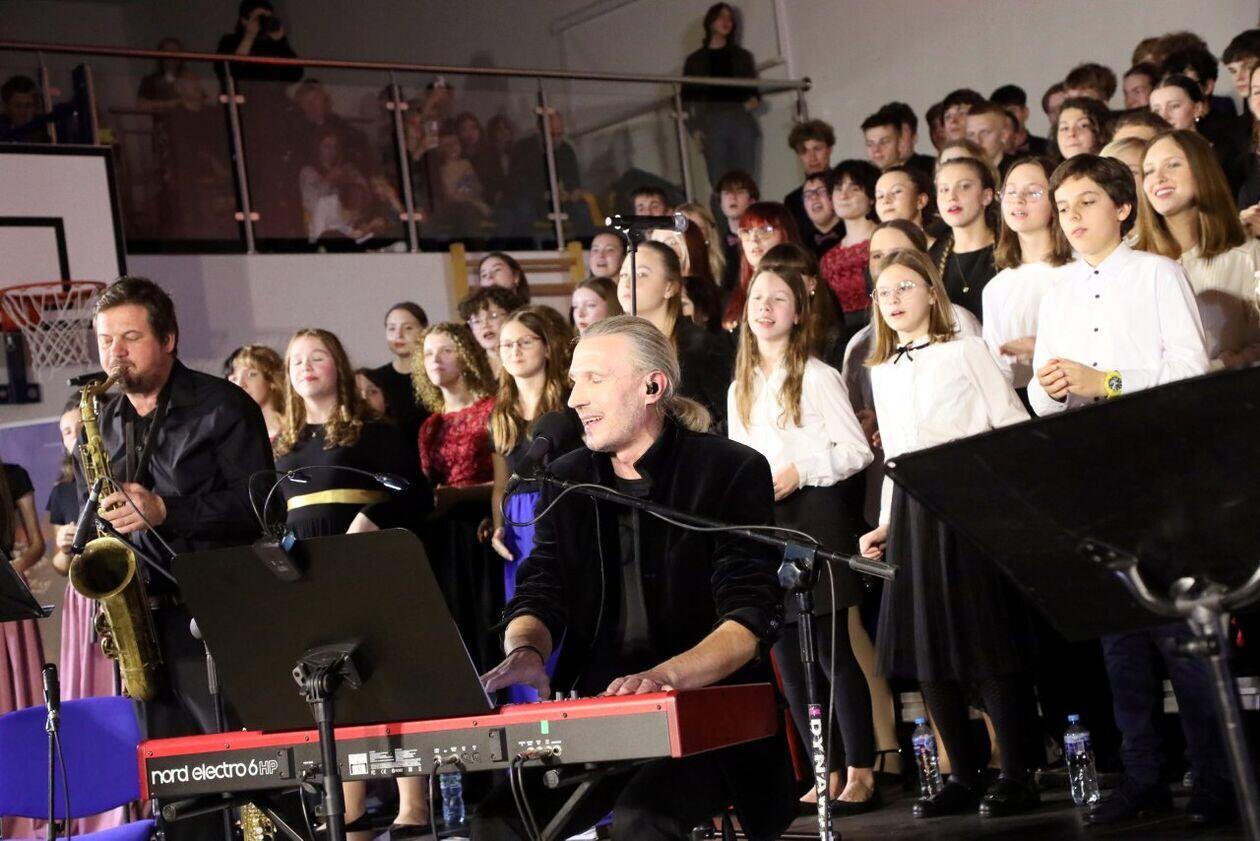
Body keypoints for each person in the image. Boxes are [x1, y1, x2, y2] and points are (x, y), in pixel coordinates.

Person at [474, 315, 796, 840]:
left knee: (643, 816)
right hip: (599, 714)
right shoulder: (567, 478)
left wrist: (661, 678)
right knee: (496, 821)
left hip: (707, 708)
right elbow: (540, 589)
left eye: (594, 379)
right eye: (574, 381)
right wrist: (526, 649)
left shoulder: (728, 468)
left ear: (653, 387)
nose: (575, 398)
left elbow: (749, 617)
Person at [1031, 154, 1232, 827]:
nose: (1073, 217)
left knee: (1179, 629)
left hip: (1161, 468)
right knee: (1119, 637)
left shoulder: (1156, 273)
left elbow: (1190, 371)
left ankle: (1216, 775)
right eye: (1064, 208)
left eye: (1087, 202)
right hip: (1094, 470)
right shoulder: (1057, 291)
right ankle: (1144, 774)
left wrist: (1107, 381)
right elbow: (1042, 395)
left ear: (1121, 207)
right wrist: (1052, 387)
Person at [76, 277, 273, 841]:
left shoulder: (223, 406)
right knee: (176, 785)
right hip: (144, 621)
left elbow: (261, 504)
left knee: (244, 772)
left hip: (216, 612)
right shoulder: (104, 419)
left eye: (130, 337)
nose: (115, 353)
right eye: (106, 340)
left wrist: (167, 510)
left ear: (168, 339)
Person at [858, 249, 1038, 819]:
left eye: (905, 287)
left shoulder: (966, 351)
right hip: (913, 512)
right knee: (928, 649)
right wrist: (885, 522)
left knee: (984, 643)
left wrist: (992, 498)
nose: (893, 300)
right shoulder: (882, 371)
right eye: (884, 292)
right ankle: (963, 772)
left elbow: (1011, 428)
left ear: (932, 293)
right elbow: (895, 456)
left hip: (966, 506)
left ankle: (1017, 771)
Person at [727, 261, 879, 812]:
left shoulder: (816, 375)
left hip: (815, 516)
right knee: (790, 662)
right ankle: (825, 769)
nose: (765, 308)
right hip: (769, 526)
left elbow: (857, 450)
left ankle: (861, 768)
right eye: (757, 299)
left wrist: (802, 469)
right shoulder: (739, 387)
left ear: (797, 312)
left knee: (833, 653)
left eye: (778, 299)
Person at [486, 310, 583, 704]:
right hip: (517, 519)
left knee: (560, 596)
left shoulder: (566, 404)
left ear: (546, 346)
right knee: (525, 608)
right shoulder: (501, 413)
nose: (515, 351)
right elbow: (500, 483)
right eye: (507, 344)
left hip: (557, 506)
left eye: (525, 341)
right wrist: (498, 526)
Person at [414, 322, 499, 671]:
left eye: (446, 350)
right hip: (444, 535)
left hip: (483, 525)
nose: (435, 359)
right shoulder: (430, 425)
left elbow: (508, 478)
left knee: (488, 617)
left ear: (465, 356)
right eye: (428, 353)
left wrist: (461, 495)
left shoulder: (492, 409)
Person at [1136, 129, 1260, 368]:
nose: (1158, 178)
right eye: (1148, 171)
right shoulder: (1134, 263)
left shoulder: (1248, 255)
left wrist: (1228, 363)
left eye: (1173, 165)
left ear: (1202, 170)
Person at [215, 0, 306, 239]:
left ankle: (290, 235)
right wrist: (249, 35)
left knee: (284, 182)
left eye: (268, 16)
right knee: (257, 184)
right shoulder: (230, 42)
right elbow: (228, 70)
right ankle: (259, 236)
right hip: (247, 122)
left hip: (276, 122)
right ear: (244, 20)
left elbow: (295, 72)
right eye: (258, 17)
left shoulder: (274, 46)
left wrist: (280, 39)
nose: (264, 21)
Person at [983, 157, 1075, 393]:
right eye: (1011, 192)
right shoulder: (996, 288)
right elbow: (996, 369)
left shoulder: (1080, 271)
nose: (1018, 200)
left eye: (1032, 192)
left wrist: (1041, 349)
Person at [618, 241, 733, 428]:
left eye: (641, 274)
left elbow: (729, 416)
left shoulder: (699, 345)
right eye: (623, 274)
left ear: (670, 287)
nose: (627, 282)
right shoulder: (618, 346)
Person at [682, 3, 762, 188]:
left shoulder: (742, 56)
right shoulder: (695, 60)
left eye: (730, 18)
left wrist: (746, 106)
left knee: (745, 181)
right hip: (711, 122)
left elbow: (754, 94)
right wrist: (694, 130)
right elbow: (685, 100)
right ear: (710, 22)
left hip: (739, 119)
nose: (727, 22)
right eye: (721, 17)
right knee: (719, 181)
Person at [929, 156, 999, 319]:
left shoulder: (1010, 247)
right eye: (944, 189)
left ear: (987, 196)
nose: (952, 197)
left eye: (964, 186)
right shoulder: (934, 257)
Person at [722, 201, 805, 328]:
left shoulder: (803, 284)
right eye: (746, 232)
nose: (754, 239)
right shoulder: (734, 290)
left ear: (785, 234)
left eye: (764, 230)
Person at [821, 160, 881, 332]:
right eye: (838, 189)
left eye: (854, 189)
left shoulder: (885, 241)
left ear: (871, 197)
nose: (843, 196)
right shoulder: (828, 259)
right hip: (843, 337)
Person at [371, 302, 430, 458]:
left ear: (424, 331)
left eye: (408, 328)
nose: (399, 335)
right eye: (391, 328)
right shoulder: (375, 381)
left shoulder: (435, 374)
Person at [784, 119, 837, 238]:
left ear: (829, 149)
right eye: (804, 151)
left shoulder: (844, 188)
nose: (812, 158)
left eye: (817, 149)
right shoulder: (792, 201)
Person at [458, 285, 523, 378]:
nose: (485, 325)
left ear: (511, 316)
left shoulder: (524, 360)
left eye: (493, 316)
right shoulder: (469, 368)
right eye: (477, 321)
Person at [226, 343, 285, 441]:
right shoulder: (229, 438)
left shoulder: (297, 432)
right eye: (234, 379)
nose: (240, 384)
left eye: (251, 375)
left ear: (272, 380)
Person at [715, 169, 759, 295]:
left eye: (739, 191)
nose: (733, 197)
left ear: (752, 200)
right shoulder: (717, 244)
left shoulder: (760, 240)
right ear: (720, 203)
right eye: (727, 192)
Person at [874, 165, 937, 239]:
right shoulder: (875, 244)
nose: (885, 201)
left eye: (897, 191)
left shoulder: (942, 242)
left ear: (921, 201)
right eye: (880, 196)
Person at [676, 200, 729, 284]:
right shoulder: (667, 267)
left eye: (697, 229)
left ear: (708, 234)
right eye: (683, 229)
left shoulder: (727, 268)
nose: (689, 235)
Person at [990, 84, 1048, 157]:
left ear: (1025, 113)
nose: (1007, 117)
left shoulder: (1047, 148)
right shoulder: (990, 151)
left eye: (1012, 111)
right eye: (1000, 112)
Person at [965, 101, 1015, 177]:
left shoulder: (1016, 173)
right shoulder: (963, 173)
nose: (977, 141)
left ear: (1003, 135)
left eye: (984, 133)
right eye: (971, 135)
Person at [800, 171, 843, 259]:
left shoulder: (853, 233)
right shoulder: (801, 246)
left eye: (821, 191)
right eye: (807, 195)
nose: (814, 197)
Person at [0, 74, 49, 143]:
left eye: (28, 106)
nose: (23, 112)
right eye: (17, 106)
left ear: (36, 107)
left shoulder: (47, 130)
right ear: (6, 107)